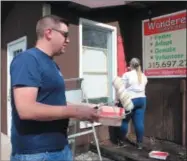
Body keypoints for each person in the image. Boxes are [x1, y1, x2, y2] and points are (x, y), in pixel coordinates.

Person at [10, 15, 99, 161]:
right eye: (65, 35)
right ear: (49, 33)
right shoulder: (27, 59)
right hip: (36, 154)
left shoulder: (52, 64)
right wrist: (75, 111)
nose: (68, 40)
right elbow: (26, 109)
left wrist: (85, 108)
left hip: (60, 148)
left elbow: (54, 101)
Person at [118, 58, 148, 149]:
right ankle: (139, 144)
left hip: (130, 100)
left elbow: (121, 88)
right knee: (139, 122)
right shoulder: (143, 75)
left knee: (125, 121)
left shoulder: (127, 75)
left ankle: (121, 141)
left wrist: (118, 99)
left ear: (130, 65)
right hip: (142, 100)